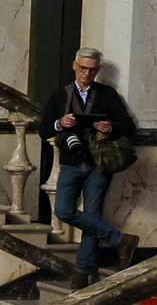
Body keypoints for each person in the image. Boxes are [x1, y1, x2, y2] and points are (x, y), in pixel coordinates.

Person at [40, 47, 140, 286]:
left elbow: (128, 125)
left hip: (99, 163)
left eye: (92, 69)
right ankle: (120, 240)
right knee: (63, 210)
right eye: (83, 68)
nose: (87, 73)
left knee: (93, 215)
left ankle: (83, 270)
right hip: (71, 162)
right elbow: (43, 130)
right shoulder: (60, 95)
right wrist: (59, 123)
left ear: (97, 70)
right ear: (74, 66)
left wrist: (110, 127)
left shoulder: (107, 94)